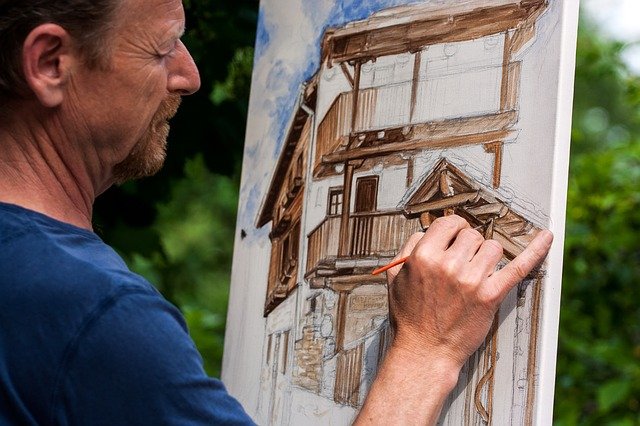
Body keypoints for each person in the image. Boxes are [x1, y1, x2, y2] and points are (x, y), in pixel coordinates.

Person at [0, 0, 553, 424]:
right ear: (50, 63)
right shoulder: (98, 315)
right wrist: (426, 352)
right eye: (161, 48)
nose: (189, 76)